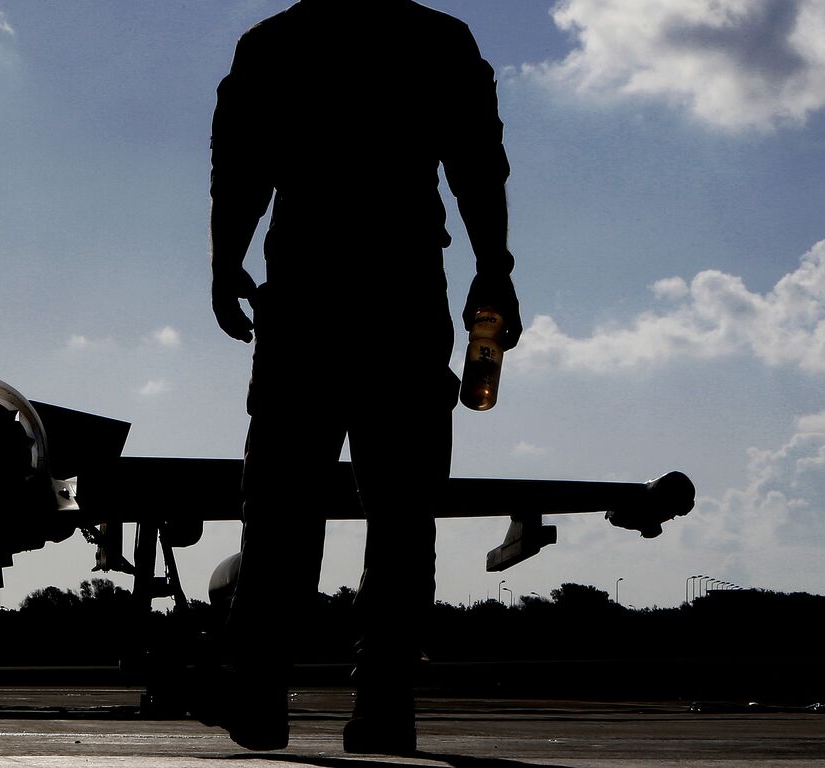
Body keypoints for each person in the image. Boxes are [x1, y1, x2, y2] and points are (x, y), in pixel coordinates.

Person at [207, 0, 523, 755]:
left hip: (308, 291)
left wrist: (224, 261)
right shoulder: (438, 41)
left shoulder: (274, 44)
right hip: (403, 291)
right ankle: (383, 705)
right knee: (404, 509)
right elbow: (478, 160)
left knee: (282, 503)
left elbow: (239, 163)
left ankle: (260, 693)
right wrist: (494, 267)